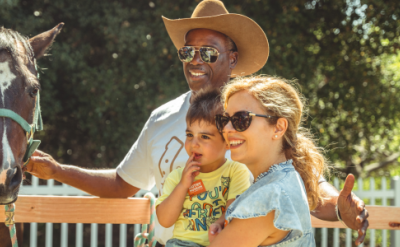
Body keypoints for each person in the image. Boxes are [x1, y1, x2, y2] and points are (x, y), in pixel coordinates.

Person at [26, 0, 369, 245]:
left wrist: (340, 206)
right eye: (187, 52)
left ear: (232, 58)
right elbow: (122, 183)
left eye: (208, 52)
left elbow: (303, 184)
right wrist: (59, 171)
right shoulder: (161, 118)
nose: (194, 60)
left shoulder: (252, 121)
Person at [209, 75, 325, 246]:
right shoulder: (284, 181)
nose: (226, 129)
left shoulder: (270, 197)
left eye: (241, 119)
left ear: (278, 128)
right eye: (224, 120)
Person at [156, 88, 250, 247]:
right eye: (190, 135)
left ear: (227, 142)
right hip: (181, 244)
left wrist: (218, 225)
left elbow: (234, 212)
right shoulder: (177, 176)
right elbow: (165, 221)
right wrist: (183, 186)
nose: (194, 144)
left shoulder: (236, 171)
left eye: (204, 137)